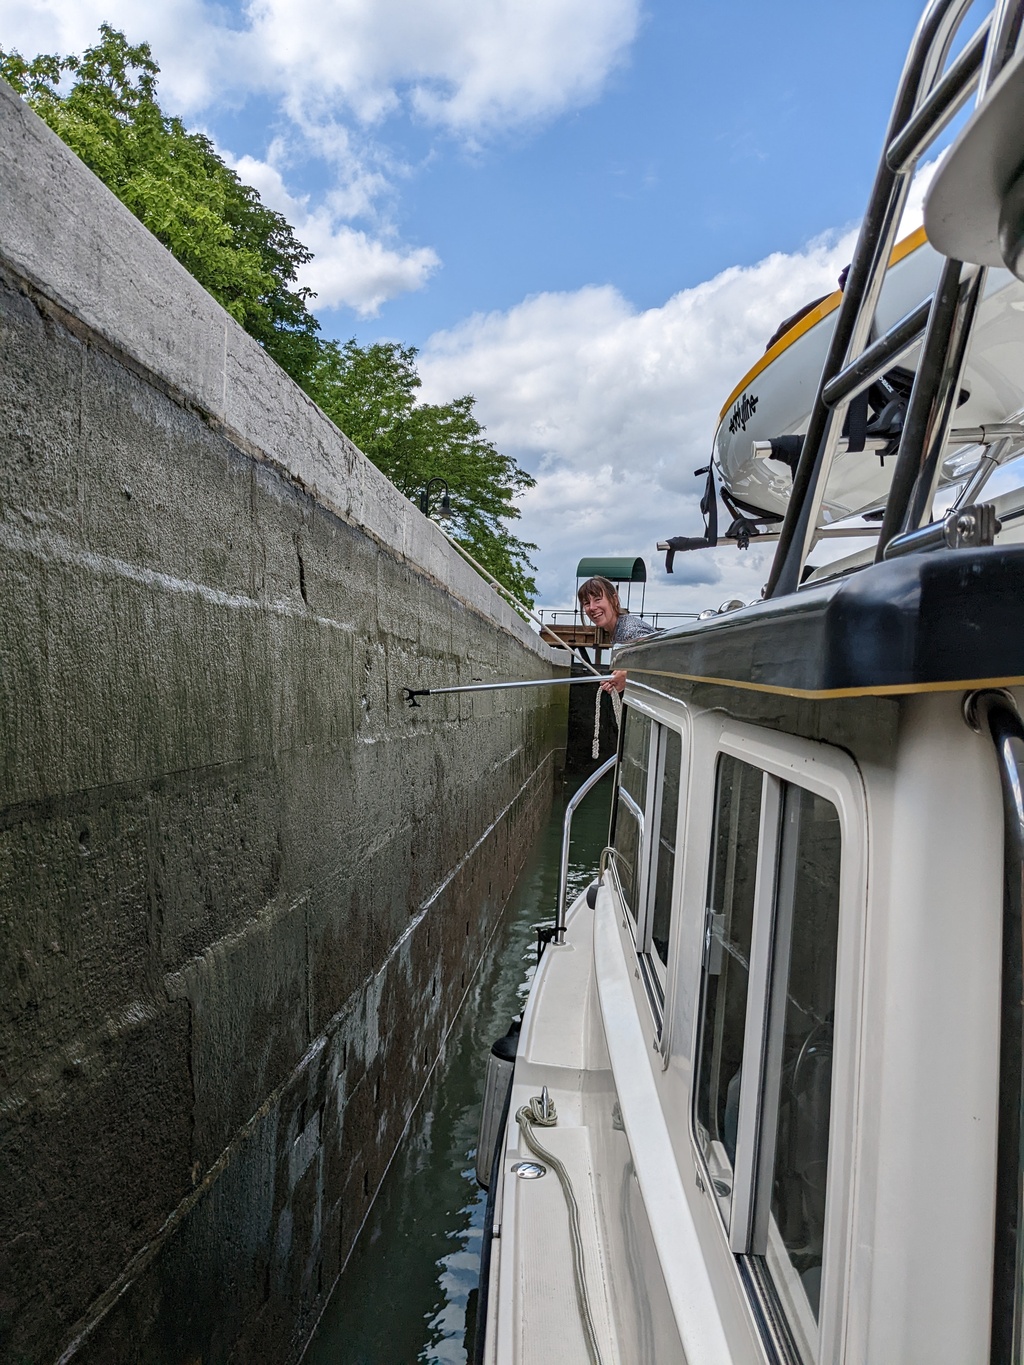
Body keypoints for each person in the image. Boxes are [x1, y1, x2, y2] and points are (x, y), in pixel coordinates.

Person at [577, 576, 657, 694]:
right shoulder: (618, 630)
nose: (592, 607)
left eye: (598, 599)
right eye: (587, 603)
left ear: (614, 600)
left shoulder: (630, 631)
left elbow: (659, 657)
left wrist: (628, 676)